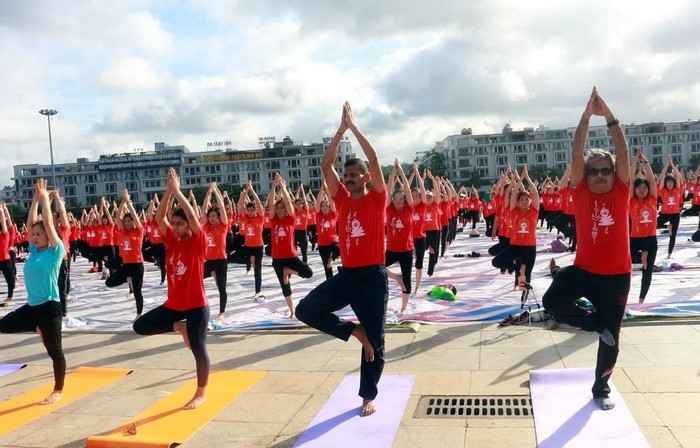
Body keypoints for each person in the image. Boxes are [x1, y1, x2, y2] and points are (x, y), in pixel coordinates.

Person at [296, 102, 388, 417]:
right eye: (345, 175)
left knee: (375, 343)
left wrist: (355, 128)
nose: (347, 179)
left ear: (365, 177)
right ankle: (354, 332)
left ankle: (367, 396)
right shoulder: (341, 199)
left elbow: (374, 159)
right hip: (347, 276)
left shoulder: (377, 197)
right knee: (305, 309)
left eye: (352, 175)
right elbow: (325, 166)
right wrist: (339, 132)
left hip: (372, 279)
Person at [542, 87, 631, 411]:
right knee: (552, 300)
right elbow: (576, 150)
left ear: (613, 173)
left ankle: (600, 390)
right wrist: (584, 117)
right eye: (593, 171)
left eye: (604, 170)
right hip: (584, 271)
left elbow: (622, 149)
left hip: (617, 277)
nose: (599, 175)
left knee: (613, 342)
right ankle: (597, 325)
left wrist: (608, 116)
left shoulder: (621, 190)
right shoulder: (581, 192)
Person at [132, 168, 210, 410]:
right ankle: (179, 326)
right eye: (173, 223)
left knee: (198, 349)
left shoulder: (198, 242)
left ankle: (200, 393)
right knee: (140, 326)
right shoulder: (172, 241)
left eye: (179, 223)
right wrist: (168, 191)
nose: (174, 227)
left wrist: (178, 191)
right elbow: (158, 218)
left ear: (188, 225)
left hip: (197, 305)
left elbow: (195, 220)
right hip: (174, 306)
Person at [0, 179, 66, 405]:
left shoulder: (55, 251)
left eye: (40, 234)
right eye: (34, 235)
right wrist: (36, 200)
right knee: (2, 325)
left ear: (49, 236)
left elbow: (47, 221)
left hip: (49, 308)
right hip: (32, 308)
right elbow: (31, 224)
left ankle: (58, 390)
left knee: (55, 352)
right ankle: (36, 327)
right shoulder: (34, 251)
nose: (35, 236)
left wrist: (46, 200)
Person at [267, 173, 313, 319]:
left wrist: (283, 187)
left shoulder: (290, 219)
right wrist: (274, 186)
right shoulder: (273, 220)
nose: (280, 209)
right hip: (278, 259)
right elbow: (272, 203)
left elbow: (288, 201)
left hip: (291, 256)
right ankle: (292, 310)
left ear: (286, 210)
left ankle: (289, 271)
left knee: (308, 273)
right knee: (285, 286)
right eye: (278, 208)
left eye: (282, 208)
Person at [491, 165, 540, 294]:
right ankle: (519, 267)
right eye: (521, 200)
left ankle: (523, 304)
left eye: (526, 199)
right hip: (516, 246)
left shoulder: (534, 212)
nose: (524, 201)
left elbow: (535, 193)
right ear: (518, 202)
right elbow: (510, 195)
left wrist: (526, 177)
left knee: (526, 281)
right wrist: (518, 181)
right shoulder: (514, 211)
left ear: (530, 202)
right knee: (496, 262)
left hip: (530, 247)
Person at [107, 190, 145, 318]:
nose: (127, 222)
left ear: (134, 222)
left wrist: (129, 204)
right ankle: (127, 278)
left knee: (137, 292)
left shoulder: (139, 231)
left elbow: (134, 215)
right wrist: (122, 201)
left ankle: (139, 314)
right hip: (126, 264)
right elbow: (118, 217)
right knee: (109, 282)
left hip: (137, 265)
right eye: (126, 221)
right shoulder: (123, 232)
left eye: (130, 221)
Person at [385, 160, 414, 313]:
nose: (398, 200)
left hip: (406, 250)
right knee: (377, 268)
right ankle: (397, 278)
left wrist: (402, 172)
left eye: (401, 198)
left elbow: (407, 191)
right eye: (396, 198)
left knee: (407, 280)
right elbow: (388, 190)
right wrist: (392, 174)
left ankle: (403, 308)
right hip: (391, 250)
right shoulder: (389, 210)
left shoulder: (409, 210)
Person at [629, 148, 658, 303]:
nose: (642, 190)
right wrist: (634, 161)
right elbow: (630, 179)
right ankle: (641, 256)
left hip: (651, 239)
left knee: (648, 271)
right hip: (634, 239)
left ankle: (641, 299)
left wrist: (644, 161)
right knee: (625, 262)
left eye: (644, 188)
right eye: (639, 188)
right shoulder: (631, 200)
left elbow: (652, 180)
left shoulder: (652, 198)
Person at [200, 182, 230, 321]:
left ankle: (222, 312)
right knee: (195, 279)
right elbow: (203, 209)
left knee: (221, 288)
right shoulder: (206, 226)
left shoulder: (223, 226)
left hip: (220, 261)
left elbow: (222, 207)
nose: (211, 218)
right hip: (209, 261)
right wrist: (208, 192)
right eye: (210, 216)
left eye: (213, 216)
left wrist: (216, 192)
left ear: (218, 217)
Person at [236, 181, 265, 301]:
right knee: (231, 258)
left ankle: (257, 291)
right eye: (249, 210)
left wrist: (252, 191)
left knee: (257, 270)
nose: (250, 212)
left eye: (252, 210)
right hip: (247, 246)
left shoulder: (260, 218)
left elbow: (258, 204)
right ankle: (250, 261)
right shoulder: (245, 217)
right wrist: (245, 192)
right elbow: (240, 206)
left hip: (258, 246)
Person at [656, 155, 684, 259]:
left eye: (671, 182)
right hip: (664, 214)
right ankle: (667, 227)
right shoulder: (663, 191)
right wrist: (666, 165)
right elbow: (662, 177)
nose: (669, 184)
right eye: (668, 182)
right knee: (653, 226)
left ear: (674, 183)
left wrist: (672, 164)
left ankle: (669, 254)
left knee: (673, 236)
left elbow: (678, 176)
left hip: (675, 214)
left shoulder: (677, 189)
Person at [314, 182, 340, 280]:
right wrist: (321, 188)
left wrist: (327, 189)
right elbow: (317, 203)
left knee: (339, 250)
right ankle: (330, 283)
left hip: (333, 242)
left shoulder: (333, 214)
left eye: (326, 206)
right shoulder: (319, 215)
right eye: (322, 206)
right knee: (327, 268)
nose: (324, 207)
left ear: (329, 208)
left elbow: (332, 202)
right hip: (322, 245)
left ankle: (332, 257)